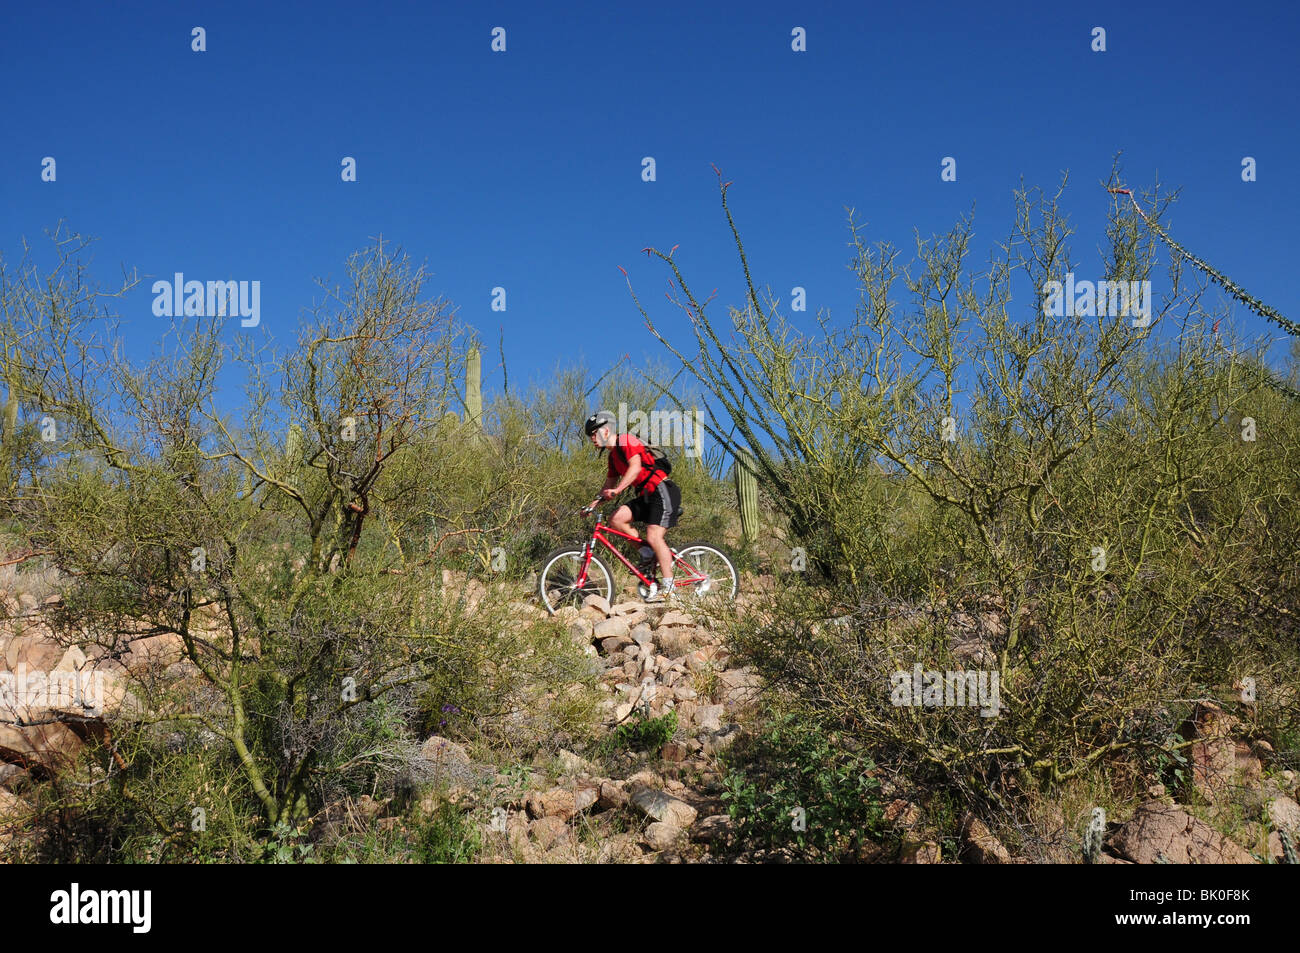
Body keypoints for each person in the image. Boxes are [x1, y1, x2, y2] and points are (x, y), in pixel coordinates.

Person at [583, 410, 682, 602]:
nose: (592, 439)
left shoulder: (626, 440)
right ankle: (647, 553)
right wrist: (592, 505)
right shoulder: (612, 457)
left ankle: (670, 588)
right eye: (590, 436)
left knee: (654, 535)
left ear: (606, 431)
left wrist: (618, 490)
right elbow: (608, 484)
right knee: (616, 519)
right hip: (645, 496)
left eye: (594, 433)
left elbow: (635, 467)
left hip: (662, 490)